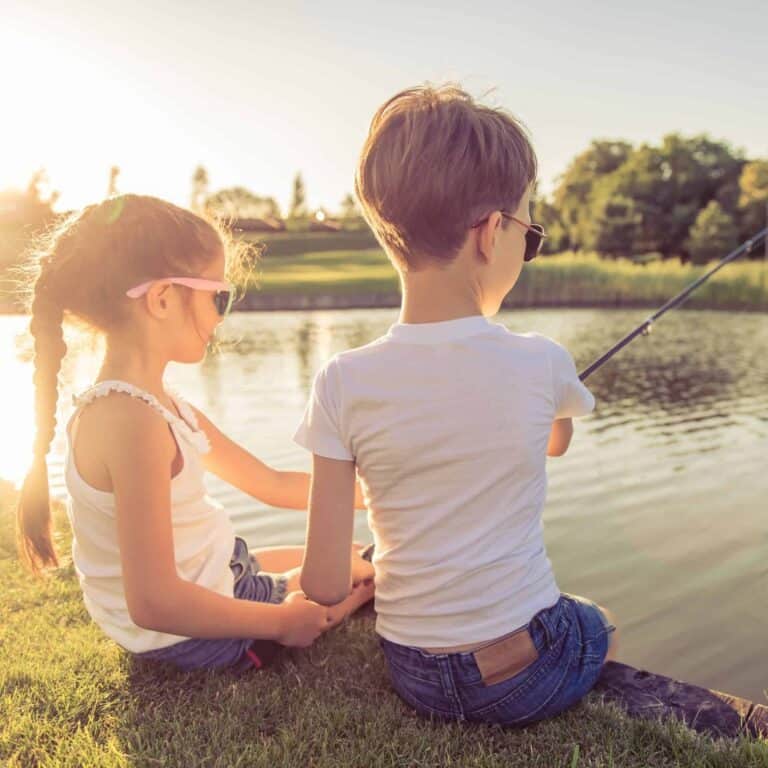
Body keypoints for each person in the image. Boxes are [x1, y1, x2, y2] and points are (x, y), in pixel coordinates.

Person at [295, 85, 618, 724]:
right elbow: (554, 443)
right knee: (596, 621)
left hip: (413, 669)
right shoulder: (542, 360)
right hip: (522, 674)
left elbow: (325, 585)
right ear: (491, 231)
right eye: (530, 234)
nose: (526, 250)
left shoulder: (341, 379)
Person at [16, 194, 374, 672]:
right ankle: (336, 597)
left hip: (216, 578)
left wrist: (381, 493)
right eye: (218, 298)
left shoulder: (157, 407)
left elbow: (272, 485)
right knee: (365, 574)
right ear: (163, 298)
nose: (220, 318)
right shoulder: (133, 423)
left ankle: (321, 578)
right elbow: (155, 603)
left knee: (347, 556)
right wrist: (281, 623)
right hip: (190, 635)